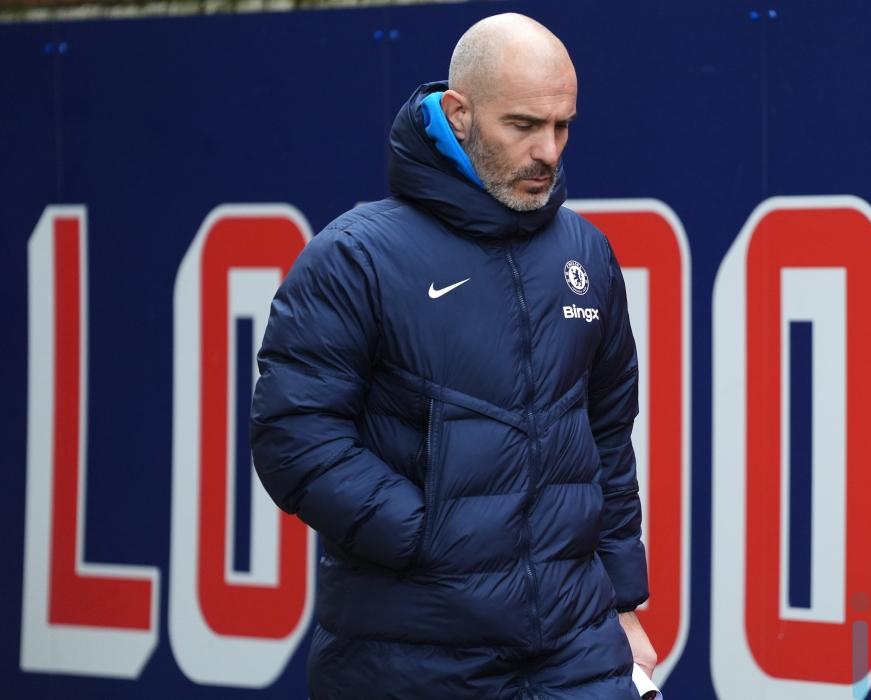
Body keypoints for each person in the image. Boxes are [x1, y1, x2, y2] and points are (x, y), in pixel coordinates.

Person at [250, 12, 655, 699]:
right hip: (410, 659)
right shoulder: (355, 256)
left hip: (576, 653)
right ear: (459, 114)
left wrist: (623, 603)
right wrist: (427, 534)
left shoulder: (585, 253)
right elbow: (294, 435)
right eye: (523, 125)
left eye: (562, 126)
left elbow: (607, 439)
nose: (549, 151)